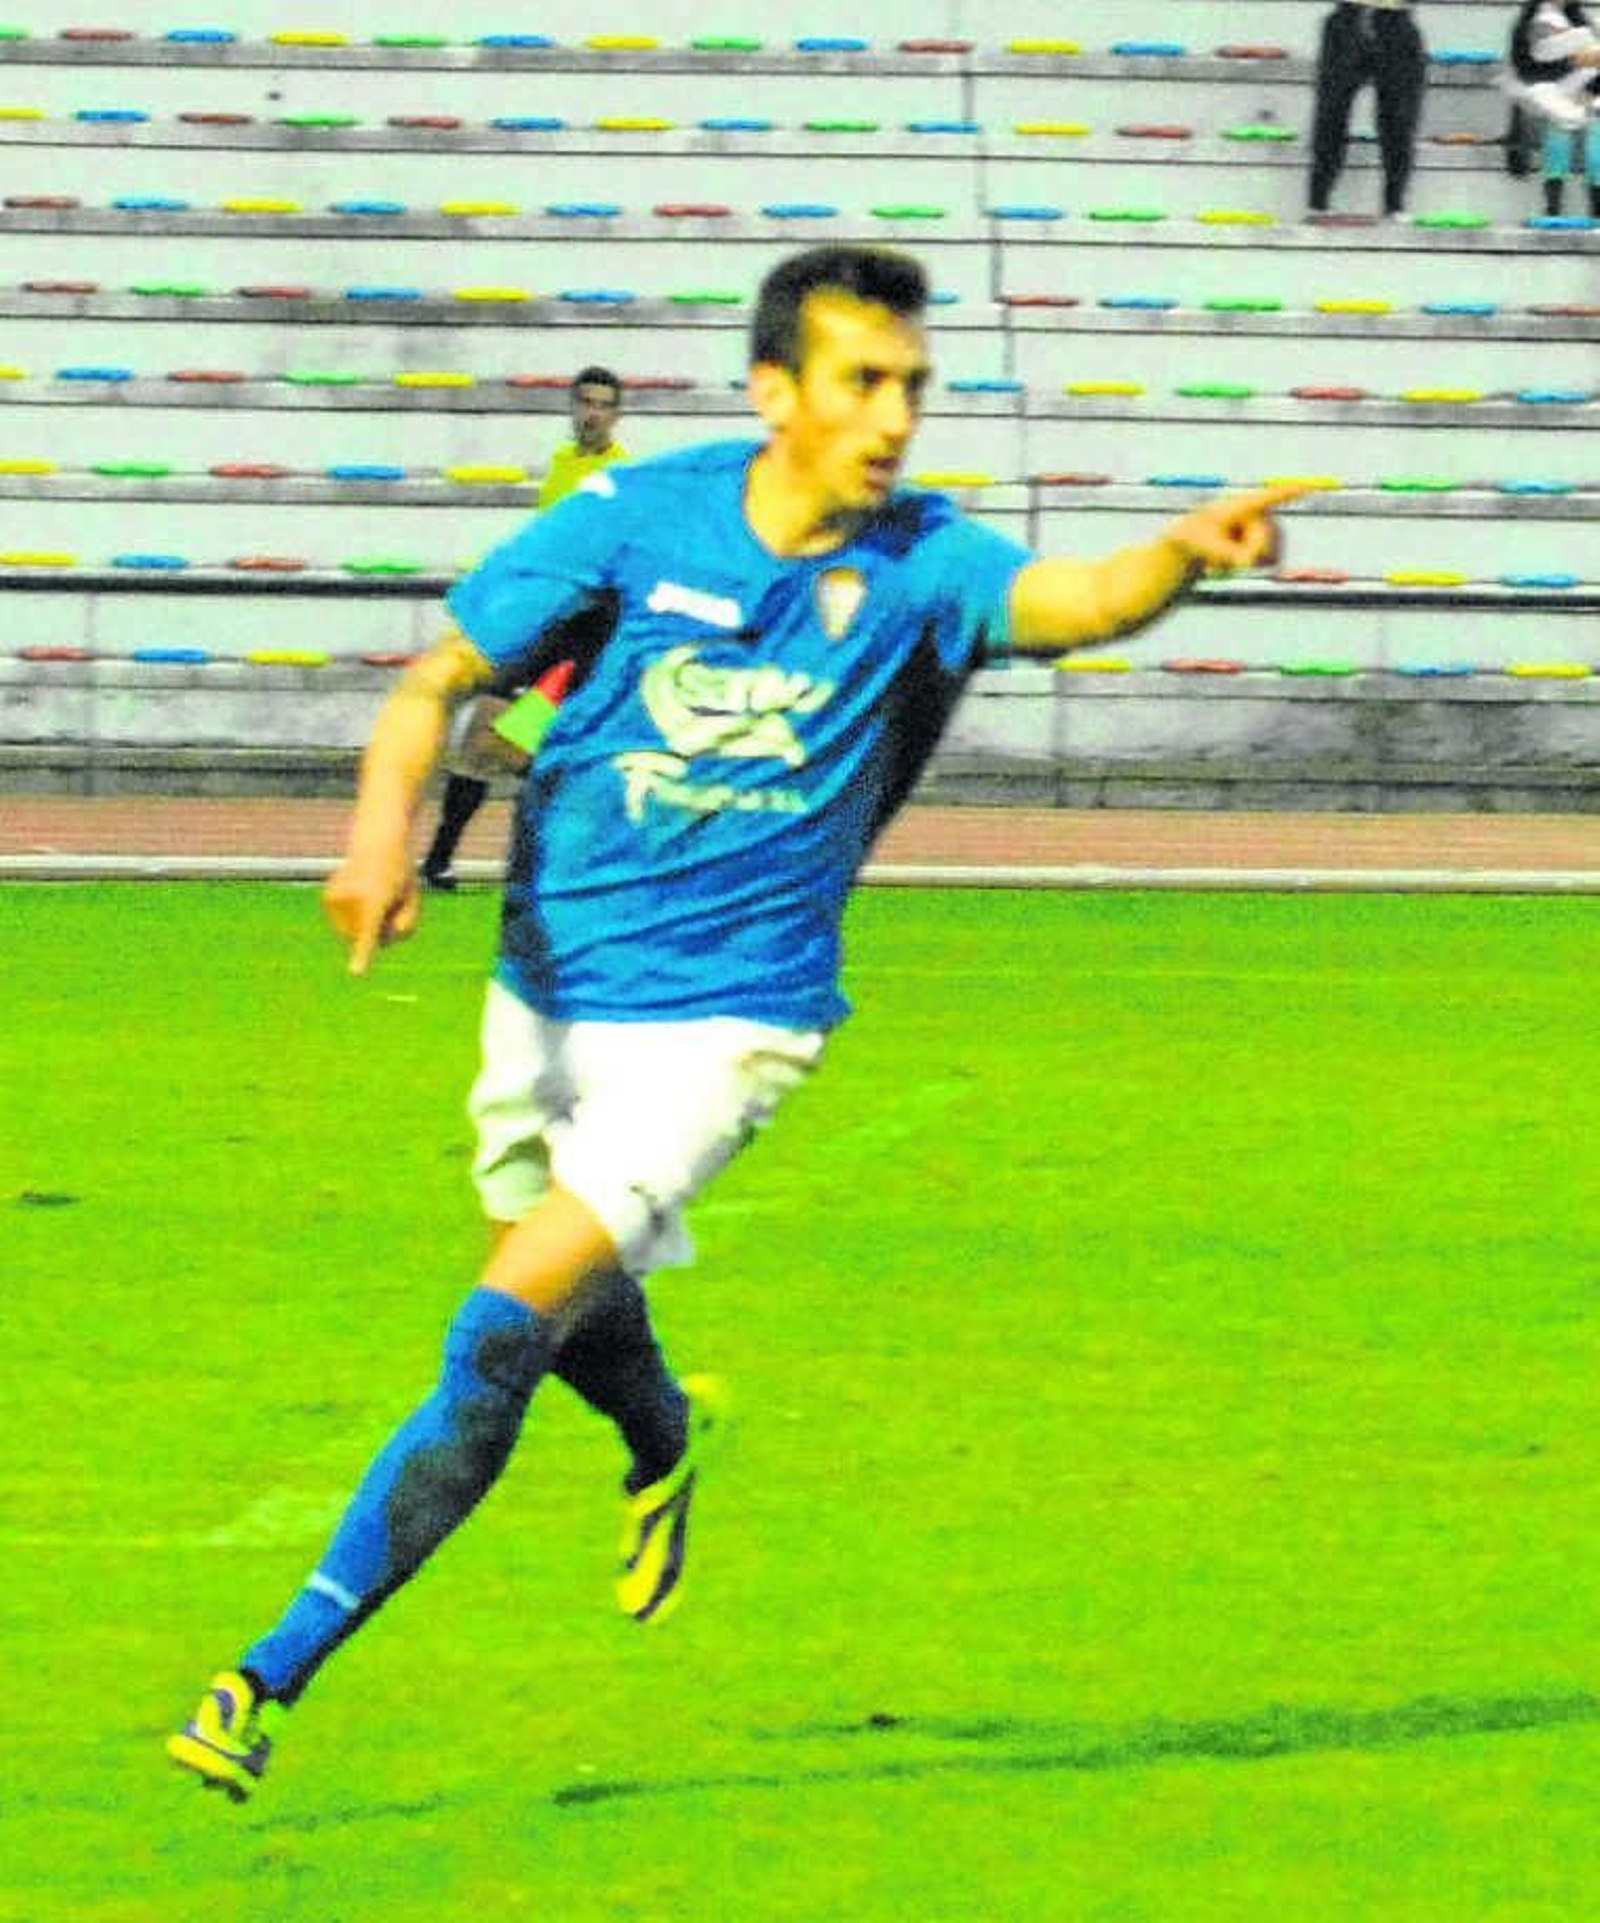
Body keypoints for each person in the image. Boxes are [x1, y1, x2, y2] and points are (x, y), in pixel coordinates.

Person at [167, 243, 1306, 1801]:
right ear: (777, 392)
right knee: (556, 1290)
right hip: (551, 984)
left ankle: (261, 1679)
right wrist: (379, 839)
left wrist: (1176, 553)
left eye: (912, 383)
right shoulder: (640, 517)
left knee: (496, 1328)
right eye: (863, 381)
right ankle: (659, 1437)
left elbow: (1077, 599)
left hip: (731, 1022)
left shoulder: (928, 562)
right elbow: (438, 679)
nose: (895, 414)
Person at [418, 364, 628, 890]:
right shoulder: (561, 467)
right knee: (489, 730)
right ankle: (440, 860)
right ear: (573, 407)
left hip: (586, 635)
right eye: (585, 402)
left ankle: (567, 866)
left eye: (603, 405)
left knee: (521, 740)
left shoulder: (620, 478)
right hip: (546, 628)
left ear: (616, 415)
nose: (592, 414)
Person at [1306, 0, 1428, 219]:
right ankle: (1318, 199)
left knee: (1399, 116)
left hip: (1396, 18)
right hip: (1348, 15)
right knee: (1331, 112)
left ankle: (1395, 202)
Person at [1503, 0, 1600, 214]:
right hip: (1546, 96)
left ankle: (1597, 204)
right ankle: (1553, 205)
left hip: (1582, 96)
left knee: (1595, 131)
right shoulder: (1528, 25)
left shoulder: (1579, 23)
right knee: (1558, 129)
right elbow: (1528, 69)